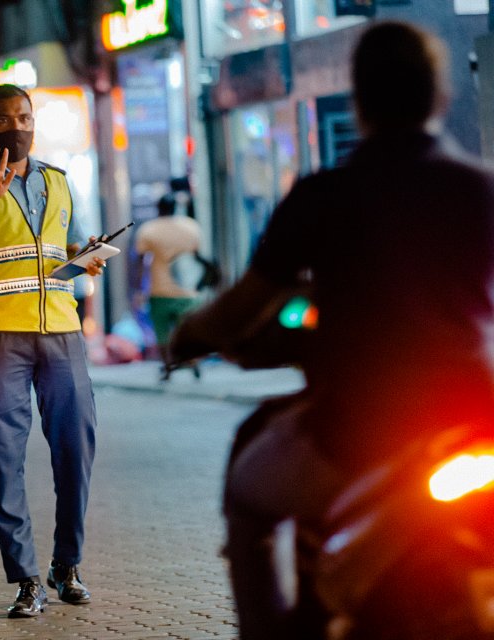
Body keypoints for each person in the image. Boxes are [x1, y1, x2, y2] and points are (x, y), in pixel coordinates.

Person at [171, 21, 494, 639]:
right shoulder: (481, 189)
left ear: (360, 104)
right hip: (476, 414)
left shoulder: (324, 195)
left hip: (358, 427)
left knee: (248, 489)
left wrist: (189, 333)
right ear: (442, 100)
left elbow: (242, 307)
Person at [0, 83, 104, 618]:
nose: (17, 126)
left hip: (61, 331)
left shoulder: (58, 181)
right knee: (5, 458)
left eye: (25, 116)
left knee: (76, 449)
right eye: (4, 119)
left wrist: (89, 258)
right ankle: (27, 579)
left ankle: (66, 565)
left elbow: (69, 245)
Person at [133, 176, 202, 372]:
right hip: (187, 289)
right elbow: (197, 256)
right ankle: (192, 360)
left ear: (158, 209)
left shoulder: (149, 230)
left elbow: (140, 263)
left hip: (160, 290)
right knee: (186, 330)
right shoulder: (191, 227)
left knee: (162, 332)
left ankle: (168, 366)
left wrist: (138, 289)